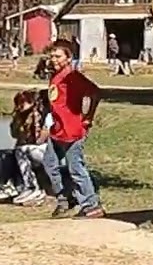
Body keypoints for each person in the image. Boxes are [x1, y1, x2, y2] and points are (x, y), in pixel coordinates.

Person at [43, 40, 106, 219]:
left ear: (68, 57)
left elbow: (95, 92)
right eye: (52, 56)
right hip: (57, 130)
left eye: (58, 56)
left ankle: (91, 204)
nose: (53, 59)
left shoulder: (73, 77)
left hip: (72, 131)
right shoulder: (55, 76)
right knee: (50, 164)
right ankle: (64, 200)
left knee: (75, 168)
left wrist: (89, 116)